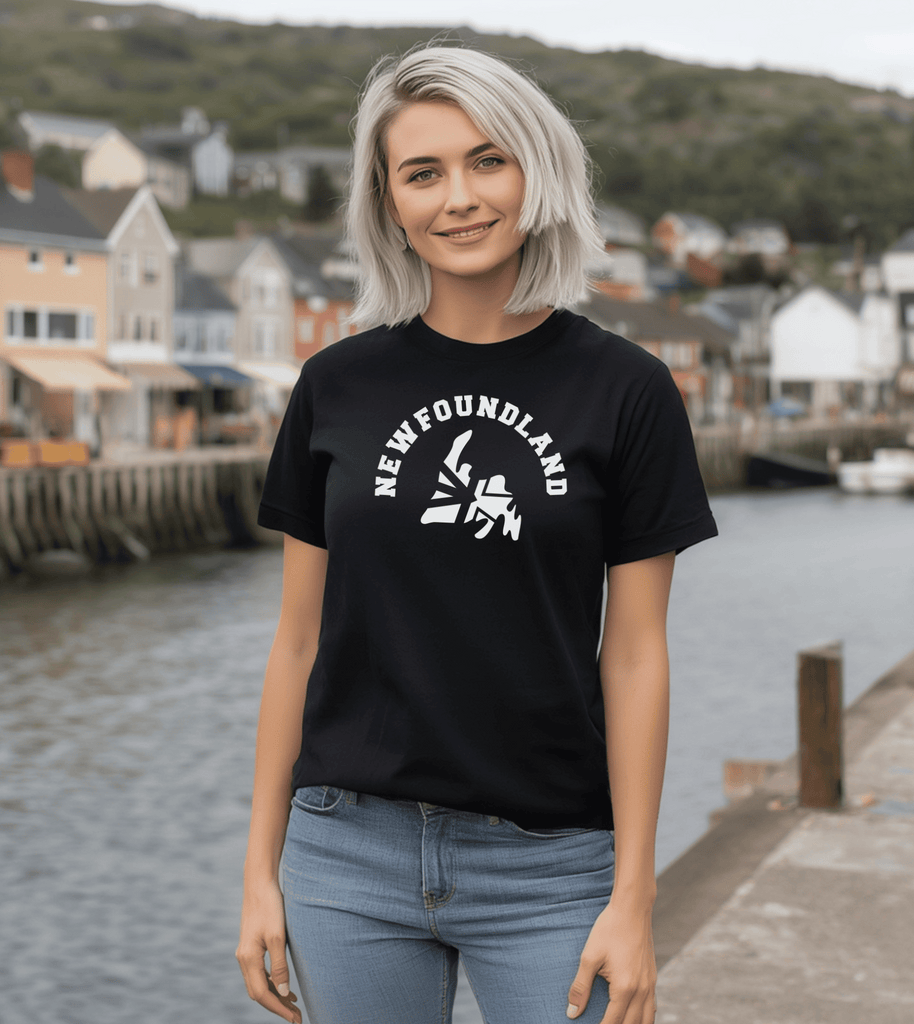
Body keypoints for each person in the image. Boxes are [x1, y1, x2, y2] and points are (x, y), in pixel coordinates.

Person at [237, 44, 718, 1024]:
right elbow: (296, 642)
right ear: (388, 200)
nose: (458, 196)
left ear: (535, 171)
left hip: (552, 859)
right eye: (423, 172)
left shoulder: (625, 390)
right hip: (345, 852)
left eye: (487, 160)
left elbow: (632, 655)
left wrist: (634, 895)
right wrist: (259, 869)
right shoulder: (335, 386)